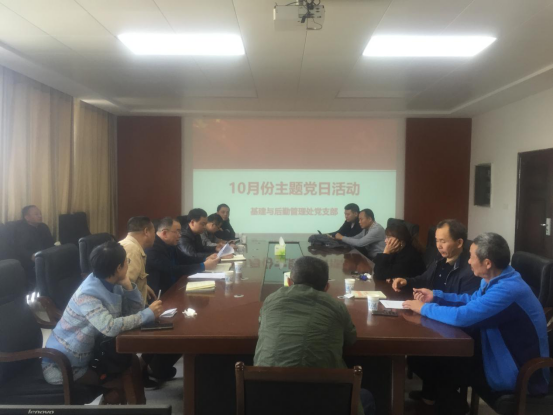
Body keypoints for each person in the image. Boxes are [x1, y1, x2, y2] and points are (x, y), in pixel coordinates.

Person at [403, 233, 550, 414]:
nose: (469, 261)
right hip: (494, 352)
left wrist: (424, 308)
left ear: (487, 263)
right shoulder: (496, 279)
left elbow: (461, 317)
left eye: (471, 256)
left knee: (437, 362)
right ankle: (442, 402)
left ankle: (451, 406)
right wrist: (436, 296)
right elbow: (471, 301)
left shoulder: (508, 290)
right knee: (425, 357)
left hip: (516, 370)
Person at [42, 242, 163, 403]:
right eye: (127, 261)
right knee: (125, 383)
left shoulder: (112, 282)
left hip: (94, 352)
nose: (128, 264)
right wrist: (147, 315)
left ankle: (131, 406)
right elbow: (109, 327)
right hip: (64, 364)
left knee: (132, 365)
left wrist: (128, 286)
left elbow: (131, 313)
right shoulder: (88, 294)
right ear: (119, 267)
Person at [254, 256, 375, 415]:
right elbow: (350, 339)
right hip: (323, 402)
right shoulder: (336, 307)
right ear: (327, 287)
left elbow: (261, 328)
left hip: (265, 400)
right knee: (366, 397)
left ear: (289, 282)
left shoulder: (270, 300)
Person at [391, 219, 480, 295]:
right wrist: (406, 282)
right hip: (430, 306)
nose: (438, 246)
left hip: (441, 309)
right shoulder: (440, 258)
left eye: (443, 241)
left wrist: (431, 303)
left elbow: (462, 302)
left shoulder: (471, 270)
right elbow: (424, 280)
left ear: (459, 243)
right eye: (437, 241)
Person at [146, 217, 219, 294]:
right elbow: (172, 269)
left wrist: (205, 259)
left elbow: (185, 259)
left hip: (176, 287)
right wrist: (203, 266)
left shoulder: (170, 244)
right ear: (164, 233)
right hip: (163, 294)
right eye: (177, 232)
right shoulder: (152, 249)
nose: (180, 235)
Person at [13, 205, 55, 290]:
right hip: (31, 261)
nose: (40, 216)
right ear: (27, 217)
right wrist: (30, 255)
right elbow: (19, 249)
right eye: (36, 214)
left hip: (47, 257)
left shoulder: (43, 227)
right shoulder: (21, 230)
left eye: (40, 213)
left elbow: (50, 243)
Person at [119, 216, 157, 305]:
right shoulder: (132, 249)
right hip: (134, 310)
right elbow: (125, 285)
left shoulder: (128, 245)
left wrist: (143, 286)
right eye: (154, 232)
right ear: (146, 231)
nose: (155, 236)